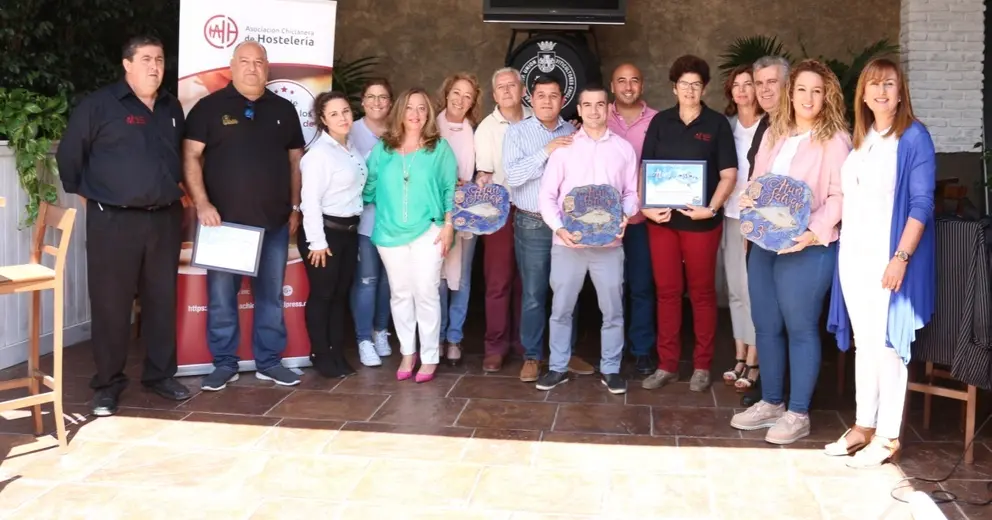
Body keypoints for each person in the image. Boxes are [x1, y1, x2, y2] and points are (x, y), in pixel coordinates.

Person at [55, 35, 191, 416]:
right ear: (127, 64)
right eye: (146, 59)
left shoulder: (171, 106)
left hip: (164, 219)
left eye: (159, 59)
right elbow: (69, 158)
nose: (154, 66)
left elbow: (178, 157)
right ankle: (108, 383)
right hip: (113, 221)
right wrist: (90, 196)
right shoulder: (99, 105)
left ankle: (160, 374)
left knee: (161, 300)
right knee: (111, 304)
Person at [729, 59, 849, 444]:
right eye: (801, 90)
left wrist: (813, 233)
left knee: (800, 327)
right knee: (765, 324)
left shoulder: (835, 140)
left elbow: (840, 196)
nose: (808, 98)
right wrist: (749, 206)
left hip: (807, 247)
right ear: (790, 93)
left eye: (817, 91)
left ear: (827, 95)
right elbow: (757, 183)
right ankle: (771, 402)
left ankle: (798, 413)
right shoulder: (774, 133)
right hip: (765, 243)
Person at [825, 58, 936, 467]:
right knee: (865, 342)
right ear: (863, 94)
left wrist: (901, 257)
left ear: (901, 91)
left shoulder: (914, 137)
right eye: (873, 84)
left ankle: (888, 436)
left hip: (888, 256)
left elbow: (921, 204)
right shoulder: (864, 136)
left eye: (889, 83)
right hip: (852, 254)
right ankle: (863, 425)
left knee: (888, 344)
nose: (881, 91)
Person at [183, 41, 306, 390]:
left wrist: (295, 206)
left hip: (274, 222)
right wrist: (202, 203)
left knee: (271, 297)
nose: (252, 68)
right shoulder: (209, 107)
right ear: (232, 66)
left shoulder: (283, 109)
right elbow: (190, 156)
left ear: (267, 67)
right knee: (222, 299)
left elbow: (295, 161)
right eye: (245, 61)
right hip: (224, 224)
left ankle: (270, 362)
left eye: (258, 62)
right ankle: (224, 363)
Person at [640, 55, 738, 393]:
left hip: (701, 224)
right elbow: (645, 169)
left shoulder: (716, 124)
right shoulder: (660, 122)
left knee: (702, 293)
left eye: (696, 84)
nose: (690, 90)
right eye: (684, 84)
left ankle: (701, 365)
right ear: (674, 87)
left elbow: (729, 175)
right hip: (663, 222)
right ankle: (667, 365)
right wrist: (646, 207)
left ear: (704, 88)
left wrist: (710, 209)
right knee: (667, 292)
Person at [537, 86, 640, 394]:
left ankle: (611, 368)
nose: (594, 110)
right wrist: (559, 228)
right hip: (568, 245)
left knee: (613, 311)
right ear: (579, 110)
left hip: (609, 246)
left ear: (608, 108)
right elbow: (547, 196)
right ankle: (558, 366)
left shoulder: (623, 149)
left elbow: (632, 193)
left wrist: (625, 215)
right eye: (588, 105)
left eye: (600, 105)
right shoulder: (564, 149)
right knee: (561, 309)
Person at [503, 76, 595, 382]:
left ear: (563, 100)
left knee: (568, 290)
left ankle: (565, 353)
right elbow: (514, 176)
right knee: (534, 292)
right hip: (532, 222)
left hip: (567, 224)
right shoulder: (517, 132)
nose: (546, 101)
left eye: (553, 95)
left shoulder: (574, 132)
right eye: (540, 95)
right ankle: (532, 355)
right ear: (531, 99)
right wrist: (547, 150)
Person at [363, 87, 457, 384]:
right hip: (389, 231)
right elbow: (368, 184)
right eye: (409, 108)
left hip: (429, 230)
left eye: (422, 108)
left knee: (426, 291)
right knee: (400, 293)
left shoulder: (439, 148)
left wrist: (449, 225)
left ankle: (429, 356)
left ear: (428, 114)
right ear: (400, 111)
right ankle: (407, 352)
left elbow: (450, 189)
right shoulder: (383, 148)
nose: (416, 114)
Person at [297, 91, 365, 378]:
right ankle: (320, 355)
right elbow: (309, 201)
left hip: (348, 233)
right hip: (324, 234)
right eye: (334, 113)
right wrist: (317, 242)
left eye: (346, 111)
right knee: (323, 295)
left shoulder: (351, 148)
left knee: (339, 295)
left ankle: (336, 352)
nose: (342, 117)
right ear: (323, 119)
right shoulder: (319, 155)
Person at [740, 55, 790, 408]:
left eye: (772, 82)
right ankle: (771, 388)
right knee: (767, 317)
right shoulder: (765, 125)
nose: (765, 89)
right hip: (762, 235)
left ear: (787, 84)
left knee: (789, 318)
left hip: (793, 239)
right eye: (760, 83)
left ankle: (789, 392)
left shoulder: (799, 127)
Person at [474, 67, 531, 373]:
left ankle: (525, 344)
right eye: (501, 87)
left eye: (512, 85)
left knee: (528, 280)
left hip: (533, 210)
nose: (507, 91)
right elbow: (485, 172)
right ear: (494, 95)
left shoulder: (537, 119)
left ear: (523, 90)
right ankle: (495, 346)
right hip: (500, 209)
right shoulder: (486, 128)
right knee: (498, 281)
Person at [608, 63, 659, 376]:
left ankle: (641, 348)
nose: (628, 87)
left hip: (643, 219)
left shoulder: (658, 121)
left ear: (642, 84)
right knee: (610, 287)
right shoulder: (597, 115)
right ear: (612, 86)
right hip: (606, 222)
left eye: (634, 80)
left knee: (641, 285)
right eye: (622, 81)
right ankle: (611, 348)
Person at [436, 72, 483, 366]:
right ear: (446, 93)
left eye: (468, 96)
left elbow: (485, 170)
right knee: (438, 278)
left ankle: (454, 337)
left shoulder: (476, 131)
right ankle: (437, 336)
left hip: (467, 214)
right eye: (456, 92)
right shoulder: (430, 125)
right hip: (434, 214)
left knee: (462, 278)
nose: (460, 99)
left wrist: (474, 181)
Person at [721, 64, 762, 392]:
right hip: (731, 214)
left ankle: (754, 358)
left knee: (753, 291)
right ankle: (739, 353)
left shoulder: (771, 126)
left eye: (748, 84)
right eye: (737, 85)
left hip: (759, 219)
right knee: (735, 288)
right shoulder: (728, 127)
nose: (742, 90)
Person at [350, 78, 395, 367]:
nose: (377, 102)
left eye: (383, 97)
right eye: (371, 96)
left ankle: (381, 331)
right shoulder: (351, 130)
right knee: (367, 280)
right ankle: (363, 339)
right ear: (363, 101)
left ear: (390, 102)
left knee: (389, 281)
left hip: (396, 222)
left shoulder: (399, 131)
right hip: (365, 220)